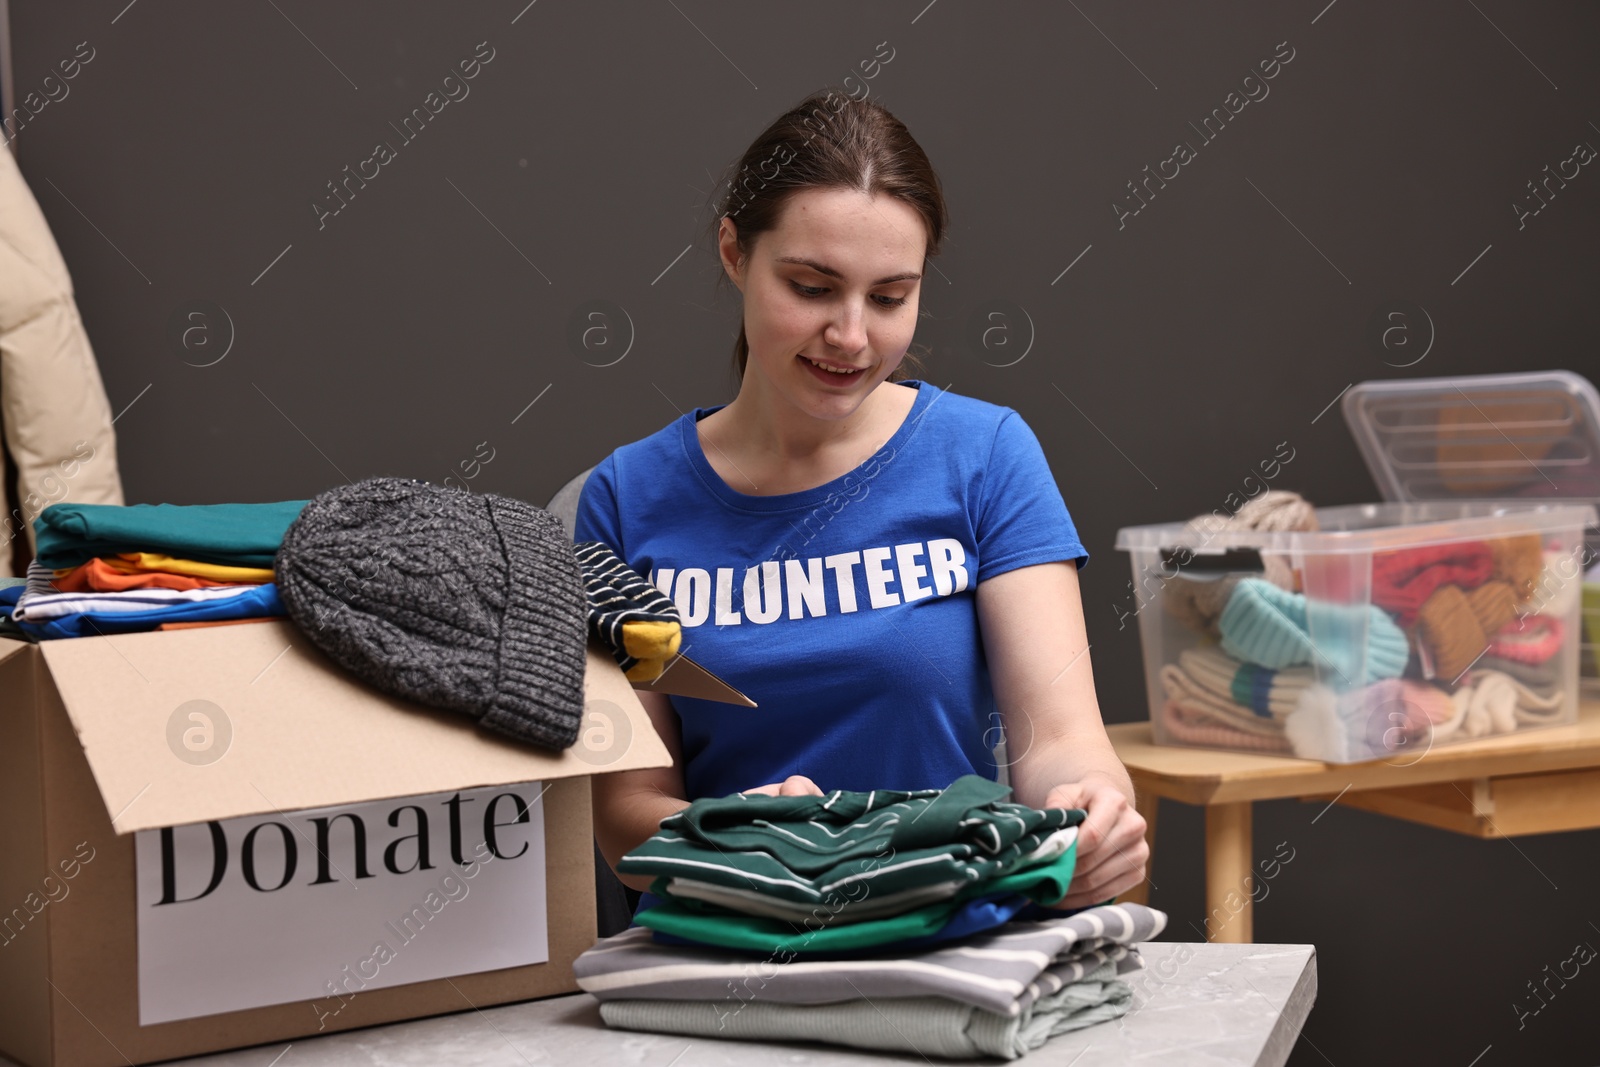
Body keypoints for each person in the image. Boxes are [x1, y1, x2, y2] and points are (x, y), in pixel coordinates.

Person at [576, 89, 1146, 917]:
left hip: (950, 945)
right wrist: (745, 836)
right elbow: (627, 818)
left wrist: (1093, 811)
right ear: (734, 252)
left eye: (889, 298)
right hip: (736, 953)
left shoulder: (985, 457)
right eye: (811, 287)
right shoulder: (626, 499)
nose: (851, 336)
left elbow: (1060, 740)